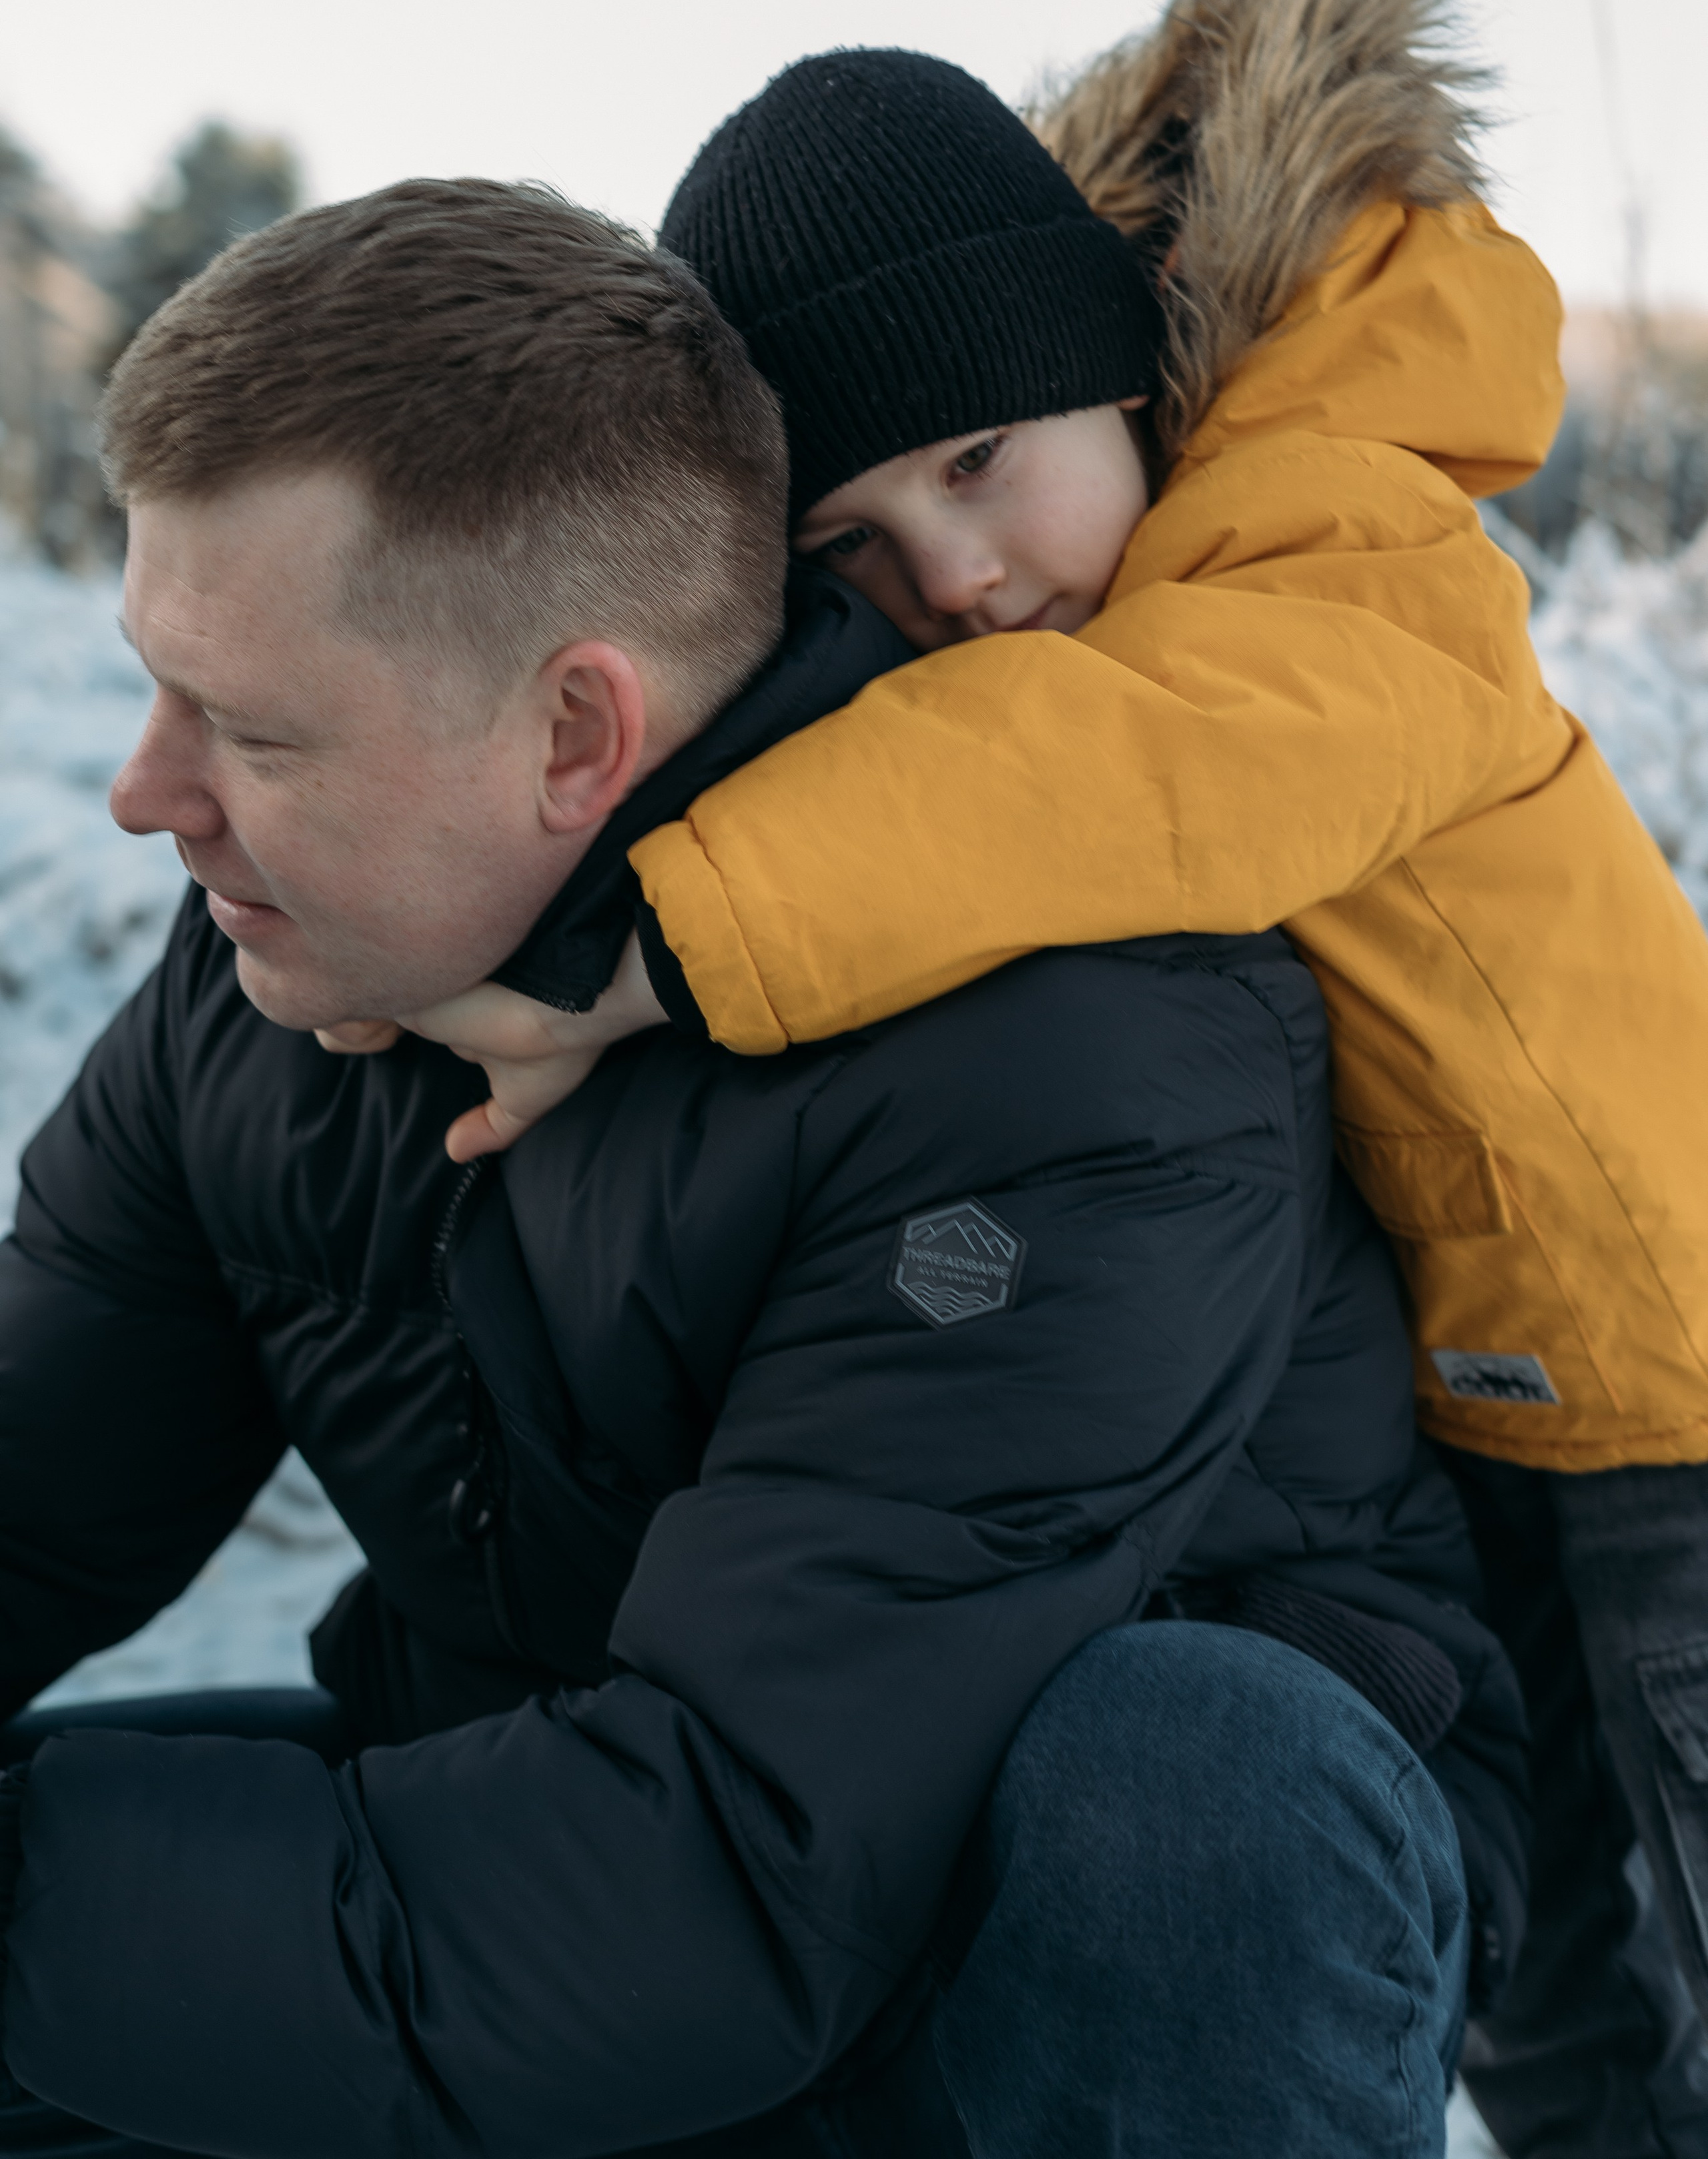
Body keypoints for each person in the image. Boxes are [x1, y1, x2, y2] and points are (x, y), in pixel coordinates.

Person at [0, 177, 1523, 2158]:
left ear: (575, 732)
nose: (148, 794)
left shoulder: (1075, 1051)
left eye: (252, 729)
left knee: (1189, 1780)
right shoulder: (282, 980)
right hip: (566, 1855)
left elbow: (730, 1874)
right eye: (153, 681)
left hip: (998, 1955)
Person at [389, 0, 1708, 2156]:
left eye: (986, 463)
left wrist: (657, 941)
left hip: (1665, 1395)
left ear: (1118, 374)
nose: (961, 578)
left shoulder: (1333, 549)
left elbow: (1108, 772)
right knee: (1568, 2019)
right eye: (866, 542)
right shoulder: (1151, 577)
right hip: (1509, 1412)